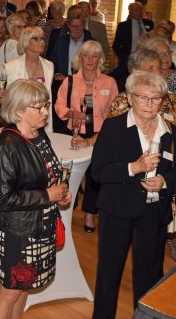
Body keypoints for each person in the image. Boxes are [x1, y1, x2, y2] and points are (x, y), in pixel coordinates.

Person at [91, 71, 176, 319]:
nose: (149, 103)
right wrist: (133, 168)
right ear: (130, 98)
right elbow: (98, 172)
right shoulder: (114, 127)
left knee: (149, 274)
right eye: (143, 97)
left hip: (153, 212)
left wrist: (164, 181)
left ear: (162, 101)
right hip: (117, 210)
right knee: (109, 273)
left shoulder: (171, 132)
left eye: (155, 98)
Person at [0, 79, 71, 319]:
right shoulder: (7, 144)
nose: (45, 112)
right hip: (18, 232)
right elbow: (2, 198)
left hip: (41, 225)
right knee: (10, 292)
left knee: (25, 285)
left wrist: (60, 194)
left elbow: (47, 173)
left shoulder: (39, 134)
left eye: (46, 105)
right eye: (39, 107)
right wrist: (47, 195)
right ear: (18, 111)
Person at [54, 41, 118, 233]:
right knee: (69, 174)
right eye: (86, 55)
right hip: (73, 133)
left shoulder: (110, 82)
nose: (90, 60)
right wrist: (71, 113)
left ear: (100, 59)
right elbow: (58, 105)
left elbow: (115, 112)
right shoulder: (69, 81)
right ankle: (66, 209)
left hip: (99, 134)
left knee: (94, 176)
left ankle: (90, 212)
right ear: (79, 58)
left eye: (94, 56)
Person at [3, 27, 54, 134]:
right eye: (36, 39)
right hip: (20, 122)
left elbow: (48, 96)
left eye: (43, 38)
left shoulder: (49, 66)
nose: (42, 42)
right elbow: (6, 99)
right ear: (25, 42)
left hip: (43, 120)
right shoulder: (10, 67)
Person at [112, 2, 154, 82]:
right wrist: (123, 57)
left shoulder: (149, 23)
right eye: (136, 10)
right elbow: (116, 45)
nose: (139, 12)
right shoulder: (123, 26)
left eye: (140, 10)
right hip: (129, 58)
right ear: (130, 12)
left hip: (146, 57)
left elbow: (152, 40)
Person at [0, 13, 26, 81]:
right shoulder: (11, 44)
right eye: (19, 27)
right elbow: (17, 70)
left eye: (24, 27)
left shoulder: (15, 43)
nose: (23, 30)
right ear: (10, 29)